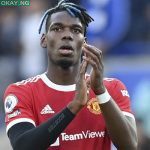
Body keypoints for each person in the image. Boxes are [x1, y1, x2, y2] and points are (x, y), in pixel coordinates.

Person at [3, 0, 137, 150]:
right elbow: (22, 146)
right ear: (44, 40)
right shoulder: (22, 92)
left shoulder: (111, 88)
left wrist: (100, 91)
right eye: (57, 28)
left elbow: (130, 145)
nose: (67, 35)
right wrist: (73, 107)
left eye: (76, 30)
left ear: (84, 43)